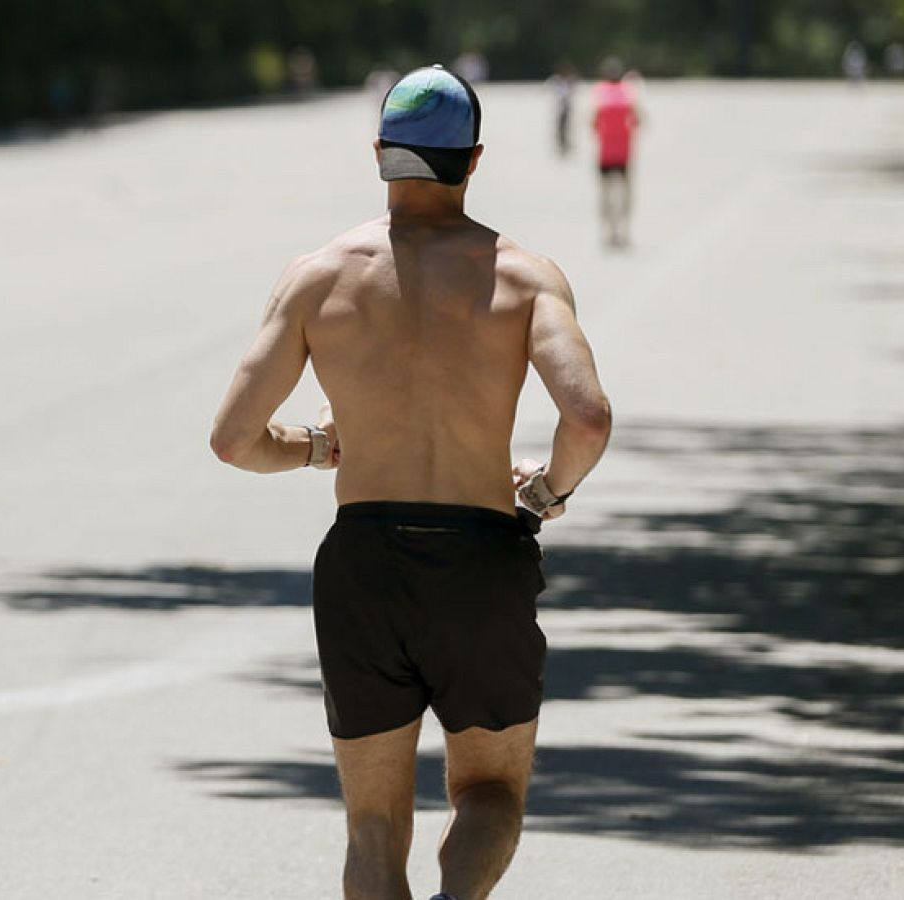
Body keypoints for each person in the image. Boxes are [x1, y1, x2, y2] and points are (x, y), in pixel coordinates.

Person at [211, 64, 611, 900]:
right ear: (473, 161)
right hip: (480, 557)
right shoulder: (524, 276)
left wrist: (322, 448)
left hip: (364, 563)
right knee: (491, 793)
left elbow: (235, 438)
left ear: (380, 154)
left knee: (371, 826)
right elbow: (587, 418)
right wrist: (546, 494)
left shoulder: (319, 276)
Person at [592, 57, 640, 248]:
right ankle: (623, 230)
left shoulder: (600, 91)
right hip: (623, 152)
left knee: (606, 193)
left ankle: (610, 231)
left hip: (605, 153)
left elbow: (593, 121)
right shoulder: (628, 92)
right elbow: (637, 119)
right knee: (624, 193)